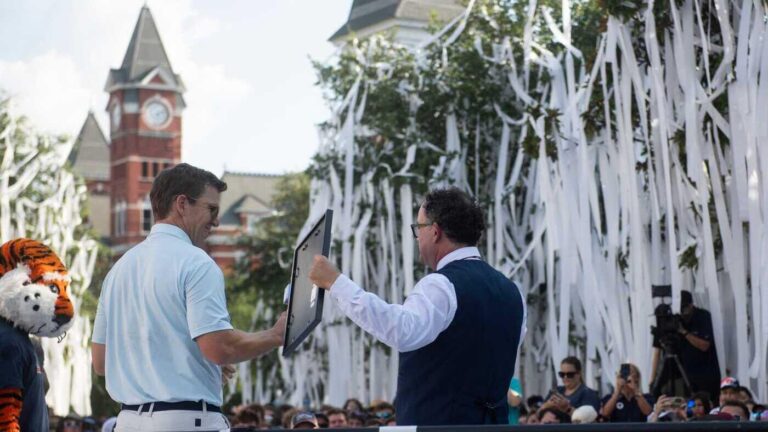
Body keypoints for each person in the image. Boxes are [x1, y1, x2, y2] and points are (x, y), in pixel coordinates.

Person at [91, 163, 286, 430]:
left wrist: (190, 363)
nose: (216, 220)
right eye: (211, 209)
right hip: (187, 419)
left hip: (127, 421)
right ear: (182, 204)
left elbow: (101, 362)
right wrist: (275, 335)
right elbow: (220, 348)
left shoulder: (118, 270)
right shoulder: (197, 262)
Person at [309, 188, 527, 425]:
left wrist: (336, 283)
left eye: (418, 228)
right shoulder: (512, 291)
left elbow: (401, 330)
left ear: (435, 231)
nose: (417, 237)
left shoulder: (441, 284)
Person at [650, 290, 720, 399]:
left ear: (691, 305)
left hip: (704, 374)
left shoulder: (702, 317)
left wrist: (683, 332)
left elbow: (705, 346)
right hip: (682, 373)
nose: (682, 312)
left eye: (683, 308)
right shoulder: (673, 319)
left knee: (702, 402)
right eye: (679, 308)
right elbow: (657, 351)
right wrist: (652, 380)